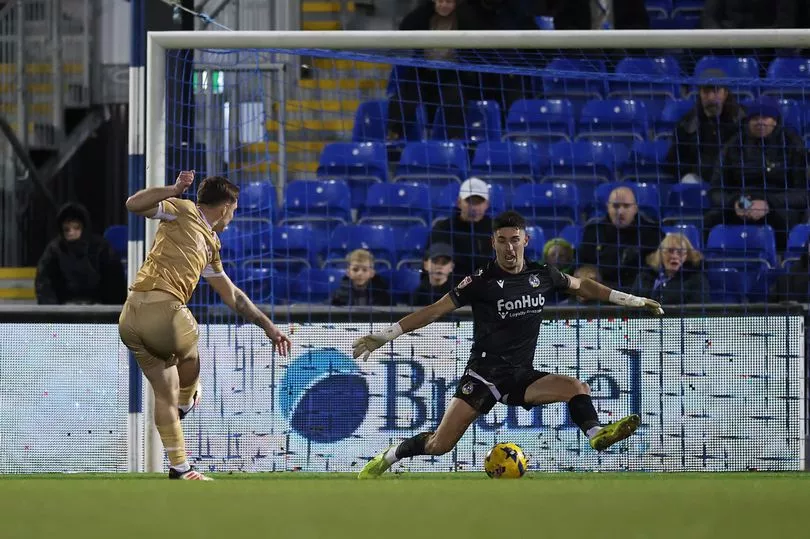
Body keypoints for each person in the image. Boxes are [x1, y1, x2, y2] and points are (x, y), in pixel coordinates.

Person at [353, 210, 664, 479]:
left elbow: (582, 285)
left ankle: (597, 435)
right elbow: (435, 310)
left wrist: (631, 300)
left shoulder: (543, 275)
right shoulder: (479, 281)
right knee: (440, 445)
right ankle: (389, 457)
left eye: (514, 239)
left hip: (519, 377)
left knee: (577, 387)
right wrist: (385, 336)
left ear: (525, 241)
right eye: (502, 240)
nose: (509, 247)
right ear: (494, 243)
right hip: (483, 377)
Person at [119, 171, 292, 481]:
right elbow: (133, 204)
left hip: (131, 318)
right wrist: (173, 189)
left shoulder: (211, 244)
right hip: (163, 310)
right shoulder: (183, 210)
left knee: (163, 394)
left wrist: (267, 325)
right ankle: (187, 400)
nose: (233, 217)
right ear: (226, 206)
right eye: (234, 210)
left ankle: (180, 467)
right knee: (189, 336)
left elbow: (233, 295)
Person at [707, 97, 807, 251]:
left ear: (775, 120)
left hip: (778, 205)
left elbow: (803, 194)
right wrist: (735, 202)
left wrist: (768, 204)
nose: (760, 122)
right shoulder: (733, 145)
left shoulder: (793, 145)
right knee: (710, 219)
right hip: (741, 202)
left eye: (765, 117)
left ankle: (782, 265)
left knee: (788, 221)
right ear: (748, 121)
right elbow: (715, 190)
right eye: (755, 118)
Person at [36, 202, 127, 305]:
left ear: (84, 227)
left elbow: (114, 282)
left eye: (76, 228)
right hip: (62, 312)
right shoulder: (54, 251)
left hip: (99, 311)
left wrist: (106, 309)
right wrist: (55, 310)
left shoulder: (100, 248)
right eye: (67, 229)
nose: (71, 232)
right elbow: (44, 283)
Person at [665, 69, 746, 184]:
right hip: (701, 179)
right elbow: (673, 161)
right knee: (688, 182)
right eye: (706, 92)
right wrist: (697, 169)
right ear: (700, 94)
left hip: (734, 181)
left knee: (747, 195)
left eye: (716, 91)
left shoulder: (742, 120)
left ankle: (745, 203)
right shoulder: (687, 123)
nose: (711, 97)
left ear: (725, 93)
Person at [579, 186, 661, 288]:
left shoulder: (651, 231)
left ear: (635, 208)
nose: (620, 212)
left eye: (626, 206)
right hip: (601, 291)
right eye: (616, 206)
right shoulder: (593, 231)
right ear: (607, 207)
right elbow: (582, 263)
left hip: (639, 292)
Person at [429, 177, 494, 277]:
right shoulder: (444, 228)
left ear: (487, 204)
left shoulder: (497, 229)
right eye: (470, 201)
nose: (474, 207)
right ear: (459, 202)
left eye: (478, 202)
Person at [631, 233, 708, 305]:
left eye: (680, 252)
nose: (674, 256)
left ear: (686, 256)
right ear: (661, 253)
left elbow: (697, 313)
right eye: (670, 251)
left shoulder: (697, 280)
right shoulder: (644, 277)